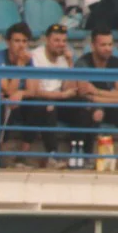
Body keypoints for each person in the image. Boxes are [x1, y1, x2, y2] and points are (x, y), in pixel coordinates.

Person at [73, 27, 118, 169]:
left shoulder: (117, 62)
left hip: (109, 105)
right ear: (93, 46)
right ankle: (87, 156)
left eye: (110, 44)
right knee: (95, 111)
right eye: (103, 45)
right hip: (91, 107)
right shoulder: (83, 62)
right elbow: (85, 93)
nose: (108, 48)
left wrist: (97, 92)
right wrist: (115, 97)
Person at [22, 21, 75, 167]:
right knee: (46, 106)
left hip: (58, 101)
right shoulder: (35, 57)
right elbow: (36, 91)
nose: (61, 44)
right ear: (47, 40)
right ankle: (51, 155)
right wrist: (62, 96)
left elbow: (69, 88)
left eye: (64, 41)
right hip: (39, 102)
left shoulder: (65, 58)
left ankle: (80, 157)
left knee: (85, 107)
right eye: (56, 40)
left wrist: (70, 64)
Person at [0, 21, 35, 164]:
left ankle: (23, 154)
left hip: (19, 101)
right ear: (8, 42)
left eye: (24, 41)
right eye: (17, 41)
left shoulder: (29, 60)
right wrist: (20, 65)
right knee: (4, 104)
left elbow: (32, 90)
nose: (21, 45)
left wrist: (21, 93)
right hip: (0, 101)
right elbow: (8, 90)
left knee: (38, 105)